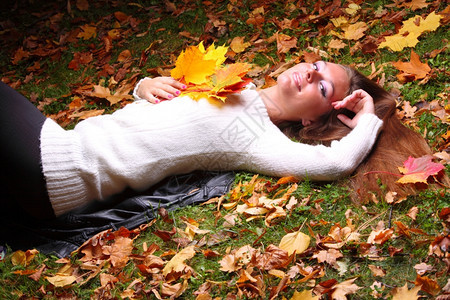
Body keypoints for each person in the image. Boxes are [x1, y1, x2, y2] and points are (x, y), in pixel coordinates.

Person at [1, 61, 385, 220]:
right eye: (315, 65)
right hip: (63, 147)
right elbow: (160, 120)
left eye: (322, 86)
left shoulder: (252, 137)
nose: (308, 73)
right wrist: (144, 86)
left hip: (62, 169)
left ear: (310, 119)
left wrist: (367, 121)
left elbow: (334, 164)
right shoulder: (233, 81)